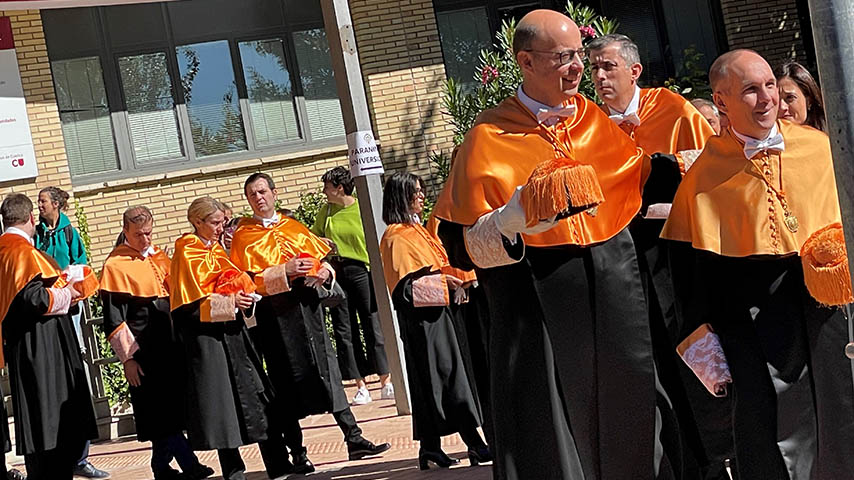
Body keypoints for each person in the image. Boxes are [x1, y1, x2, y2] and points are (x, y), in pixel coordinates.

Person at [434, 10, 682, 479]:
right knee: (551, 434)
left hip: (615, 303)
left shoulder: (593, 120)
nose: (577, 69)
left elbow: (640, 182)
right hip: (538, 309)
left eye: (579, 57)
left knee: (634, 421)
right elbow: (460, 245)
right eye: (564, 57)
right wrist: (512, 218)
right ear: (526, 61)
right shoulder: (488, 137)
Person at [661, 49, 854, 480]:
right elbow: (689, 274)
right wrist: (701, 342)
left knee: (840, 411)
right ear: (722, 101)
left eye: (769, 85)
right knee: (771, 428)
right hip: (749, 316)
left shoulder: (820, 148)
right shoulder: (703, 175)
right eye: (751, 90)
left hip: (824, 308)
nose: (767, 98)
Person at [587, 33, 719, 478]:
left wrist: (667, 205)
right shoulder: (593, 130)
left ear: (634, 71)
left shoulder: (675, 111)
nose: (599, 77)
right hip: (627, 267)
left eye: (608, 67)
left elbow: (711, 177)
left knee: (698, 357)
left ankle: (717, 460)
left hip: (679, 260)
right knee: (651, 369)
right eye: (594, 69)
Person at [230, 173, 391, 470]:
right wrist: (285, 271)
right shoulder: (243, 236)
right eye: (252, 194)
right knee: (285, 383)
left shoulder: (293, 226)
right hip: (277, 320)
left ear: (274, 193)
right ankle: (298, 454)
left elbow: (320, 258)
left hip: (310, 314)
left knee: (328, 374)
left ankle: (354, 438)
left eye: (263, 191)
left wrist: (325, 272)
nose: (259, 198)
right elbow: (248, 282)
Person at [170, 197, 293, 480]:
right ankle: (234, 472)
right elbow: (186, 306)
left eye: (222, 222)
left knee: (258, 395)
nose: (220, 228)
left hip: (235, 336)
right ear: (197, 222)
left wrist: (245, 299)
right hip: (208, 341)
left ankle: (278, 463)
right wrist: (230, 301)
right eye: (214, 223)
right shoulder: (186, 253)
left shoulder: (219, 251)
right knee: (222, 405)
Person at [380, 172, 490, 469]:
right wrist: (446, 284)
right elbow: (404, 288)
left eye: (422, 190)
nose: (421, 196)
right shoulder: (395, 237)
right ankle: (475, 444)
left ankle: (430, 448)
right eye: (415, 192)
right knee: (446, 379)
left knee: (434, 383)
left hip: (440, 315)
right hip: (422, 322)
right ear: (401, 196)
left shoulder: (418, 230)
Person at [100, 206, 214, 480]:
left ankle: (161, 467)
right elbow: (114, 320)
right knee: (160, 412)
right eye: (139, 235)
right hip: (144, 352)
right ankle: (190, 464)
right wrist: (127, 359)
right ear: (125, 230)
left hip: (173, 346)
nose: (145, 240)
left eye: (149, 233)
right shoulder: (115, 265)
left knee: (170, 412)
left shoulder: (160, 257)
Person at [0, 193, 98, 479]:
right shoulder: (23, 252)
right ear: (31, 217)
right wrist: (68, 292)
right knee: (53, 429)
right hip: (43, 350)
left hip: (24, 347)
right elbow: (33, 299)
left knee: (41, 433)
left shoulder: (5, 249)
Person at [32, 186, 108, 479]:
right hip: (46, 310)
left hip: (70, 310)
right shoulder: (37, 234)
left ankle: (81, 456)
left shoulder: (68, 233)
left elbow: (83, 265)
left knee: (75, 373)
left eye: (43, 201)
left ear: (56, 204)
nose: (39, 205)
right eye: (38, 202)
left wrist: (71, 281)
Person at [311, 166, 392, 405]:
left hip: (361, 271)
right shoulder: (325, 212)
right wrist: (321, 242)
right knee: (344, 329)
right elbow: (312, 239)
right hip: (336, 271)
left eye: (327, 186)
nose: (324, 191)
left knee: (372, 323)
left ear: (339, 187)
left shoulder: (361, 208)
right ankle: (360, 385)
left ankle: (385, 380)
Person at [777, 61, 826, 131]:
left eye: (790, 97)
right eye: (776, 100)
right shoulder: (768, 140)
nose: (782, 107)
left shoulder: (832, 137)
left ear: (809, 101)